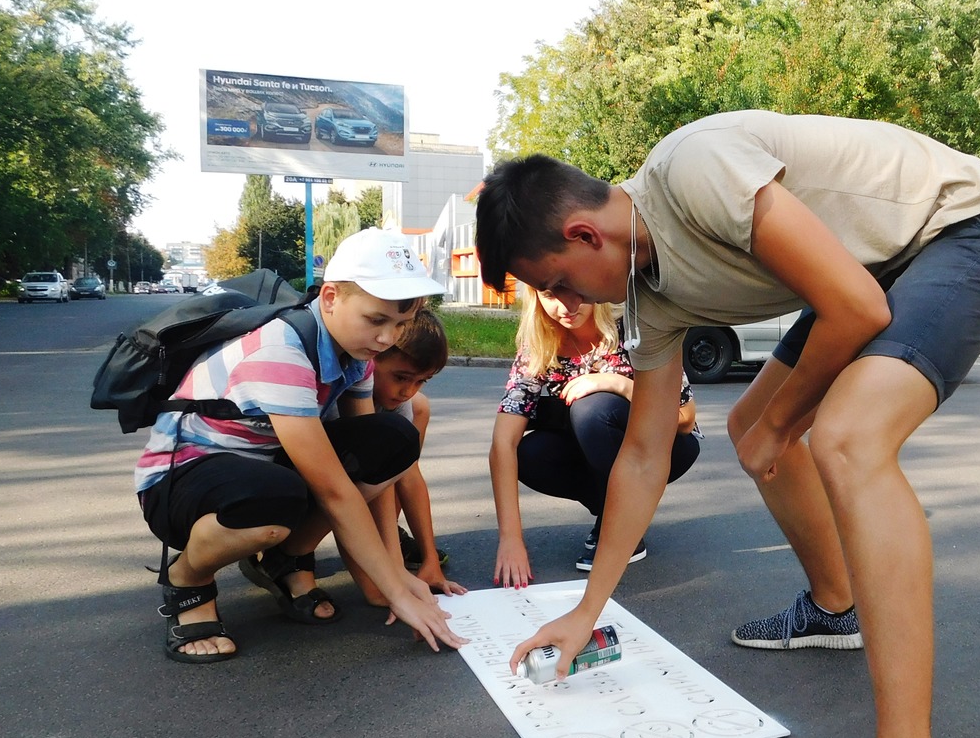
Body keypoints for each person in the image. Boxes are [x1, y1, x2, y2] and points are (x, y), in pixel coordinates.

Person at [474, 110, 980, 738]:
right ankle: (837, 606)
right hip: (870, 266)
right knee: (749, 427)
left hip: (960, 230)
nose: (565, 301)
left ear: (584, 234)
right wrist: (586, 608)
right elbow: (641, 453)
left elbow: (858, 310)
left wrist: (782, 421)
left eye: (558, 281)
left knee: (844, 436)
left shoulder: (693, 172)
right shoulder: (650, 301)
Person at [132, 227, 467, 663]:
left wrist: (395, 572)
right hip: (181, 480)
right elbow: (332, 489)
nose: (387, 338)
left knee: (394, 440)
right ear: (330, 298)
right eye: (376, 320)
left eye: (400, 324)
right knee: (276, 495)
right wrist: (392, 588)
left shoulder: (356, 356)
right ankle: (188, 580)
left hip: (262, 468)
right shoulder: (280, 350)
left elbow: (369, 468)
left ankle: (283, 560)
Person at [489, 286, 701, 586]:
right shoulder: (539, 343)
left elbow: (686, 418)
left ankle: (624, 527)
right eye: (550, 295)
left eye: (575, 292)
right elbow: (502, 443)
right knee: (527, 453)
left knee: (591, 410)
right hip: (594, 447)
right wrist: (510, 539)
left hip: (665, 447)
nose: (566, 306)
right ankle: (610, 512)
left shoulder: (634, 326)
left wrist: (617, 384)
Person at [344, 306, 467, 605]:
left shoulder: (400, 401)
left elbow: (407, 476)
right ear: (373, 358)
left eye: (421, 381)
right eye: (401, 377)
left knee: (411, 422)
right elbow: (347, 493)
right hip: (313, 485)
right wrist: (391, 577)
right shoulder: (349, 393)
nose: (407, 391)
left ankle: (390, 546)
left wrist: (430, 561)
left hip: (356, 480)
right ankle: (288, 558)